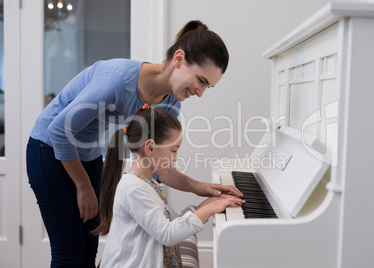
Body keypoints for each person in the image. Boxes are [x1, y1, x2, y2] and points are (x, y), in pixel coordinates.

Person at [26, 19, 242, 267]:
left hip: (87, 154)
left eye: (209, 87)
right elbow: (59, 131)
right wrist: (83, 186)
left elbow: (157, 163)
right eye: (201, 80)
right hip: (49, 149)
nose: (201, 92)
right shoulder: (116, 81)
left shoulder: (170, 103)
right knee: (69, 252)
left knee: (88, 252)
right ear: (179, 59)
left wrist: (200, 187)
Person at [93, 105, 244, 267]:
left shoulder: (146, 183)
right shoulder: (134, 188)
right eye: (173, 151)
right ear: (150, 148)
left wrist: (209, 203)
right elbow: (167, 234)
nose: (176, 158)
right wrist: (209, 210)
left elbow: (170, 222)